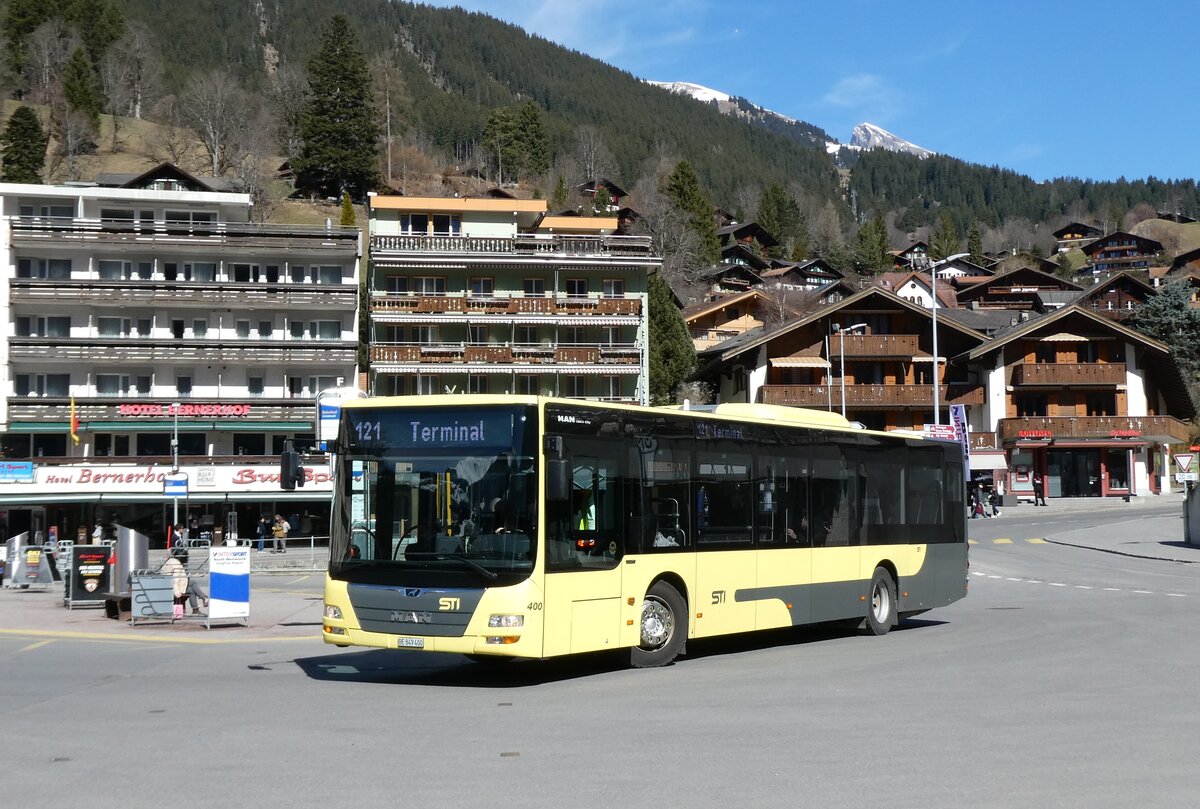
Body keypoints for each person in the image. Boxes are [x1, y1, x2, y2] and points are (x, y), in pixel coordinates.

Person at [161, 548, 208, 615]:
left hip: (167, 584)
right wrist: (177, 593)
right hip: (171, 587)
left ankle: (203, 598)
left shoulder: (171, 560)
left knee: (193, 582)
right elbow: (176, 580)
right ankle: (197, 608)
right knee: (191, 591)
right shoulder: (177, 565)